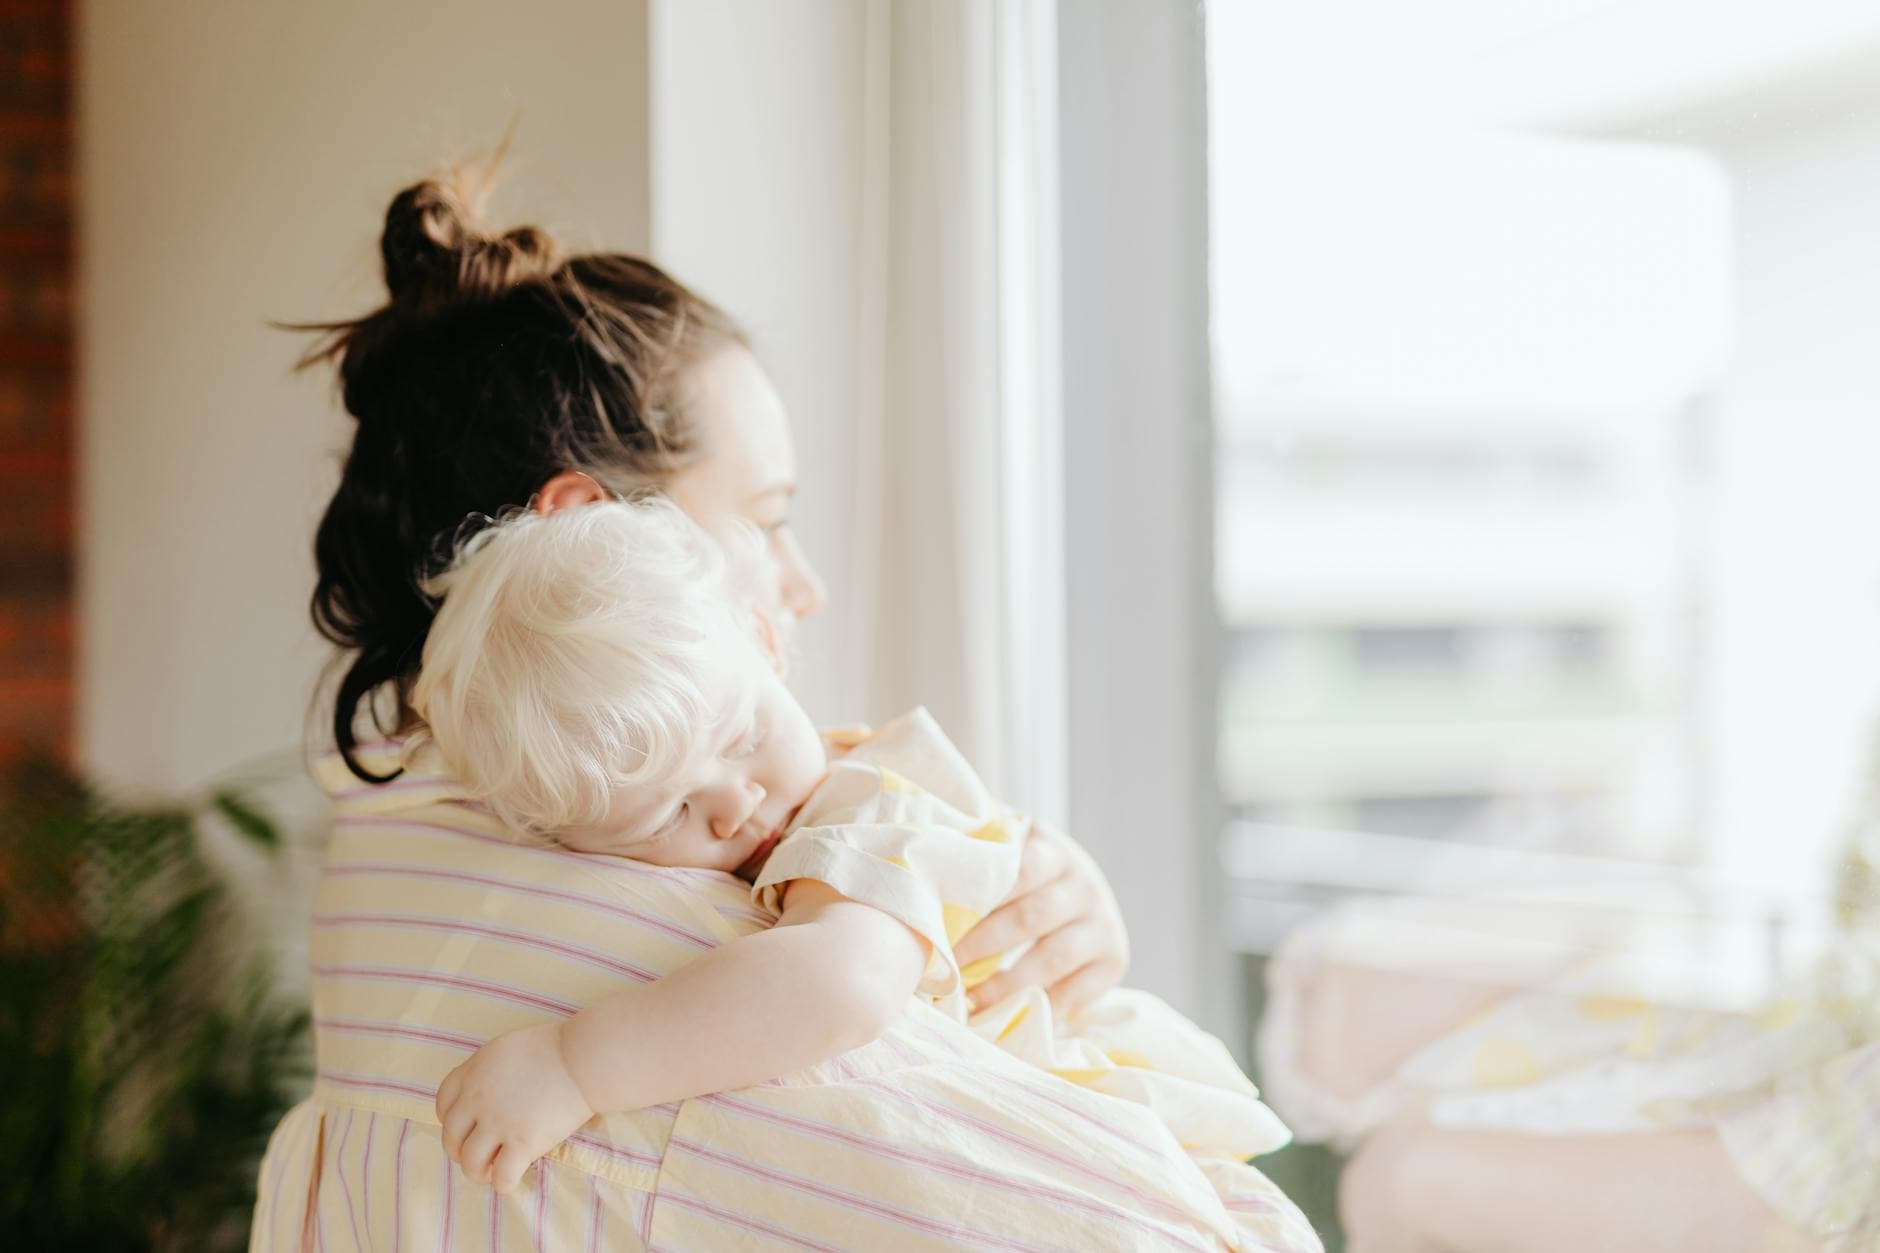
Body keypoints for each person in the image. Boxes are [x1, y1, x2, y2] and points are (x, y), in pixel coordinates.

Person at [252, 165, 1315, 1250]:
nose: (801, 587)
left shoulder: (400, 857)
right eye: (765, 519)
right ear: (588, 518)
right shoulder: (668, 985)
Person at [408, 499, 1297, 1209]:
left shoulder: (870, 800)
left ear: (764, 640)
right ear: (564, 845)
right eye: (667, 810)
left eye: (745, 730)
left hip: (1144, 1132)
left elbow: (840, 984)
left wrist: (576, 1063)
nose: (735, 802)